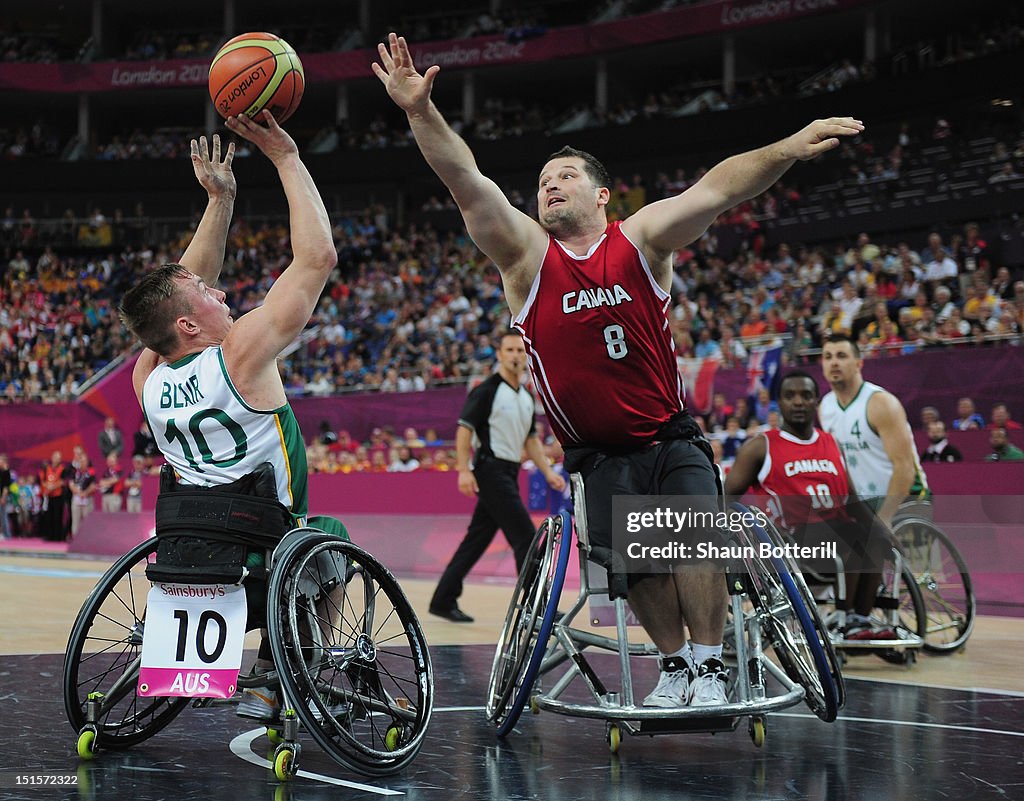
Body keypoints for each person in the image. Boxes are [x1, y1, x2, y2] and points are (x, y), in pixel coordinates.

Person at [374, 31, 864, 706]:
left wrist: (785, 146)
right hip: (598, 455)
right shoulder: (526, 258)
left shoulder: (639, 238)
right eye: (543, 180)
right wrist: (419, 112)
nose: (550, 185)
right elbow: (467, 182)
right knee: (638, 568)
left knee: (694, 542)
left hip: (669, 435)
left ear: (602, 194)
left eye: (565, 175)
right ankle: (676, 668)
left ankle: (710, 664)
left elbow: (716, 189)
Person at [118, 113, 339, 723]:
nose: (221, 293)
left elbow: (184, 290)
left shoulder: (147, 379)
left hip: (188, 542)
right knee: (331, 534)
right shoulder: (241, 352)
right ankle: (290, 665)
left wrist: (220, 200)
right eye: (210, 297)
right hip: (269, 537)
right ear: (188, 327)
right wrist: (287, 158)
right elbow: (317, 257)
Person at [725, 371, 894, 639]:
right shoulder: (761, 446)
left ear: (816, 401)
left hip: (835, 529)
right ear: (778, 403)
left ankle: (857, 619)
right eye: (790, 396)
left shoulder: (830, 443)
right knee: (847, 538)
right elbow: (727, 498)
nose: (798, 402)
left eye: (806, 395)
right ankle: (845, 618)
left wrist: (881, 528)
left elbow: (850, 499)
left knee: (872, 535)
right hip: (790, 539)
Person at [429, 332, 566, 622]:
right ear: (500, 355)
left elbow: (530, 442)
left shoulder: (527, 397)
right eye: (510, 350)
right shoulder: (487, 390)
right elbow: (464, 430)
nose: (516, 355)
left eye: (520, 350)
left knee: (477, 539)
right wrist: (464, 470)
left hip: (509, 472)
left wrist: (547, 472)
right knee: (526, 537)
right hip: (490, 471)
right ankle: (536, 606)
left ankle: (443, 599)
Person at [818, 335, 929, 528]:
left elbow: (904, 467)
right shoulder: (825, 407)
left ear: (859, 363)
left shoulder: (881, 403)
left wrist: (885, 516)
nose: (834, 362)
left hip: (906, 499)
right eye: (828, 357)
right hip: (864, 505)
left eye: (841, 356)